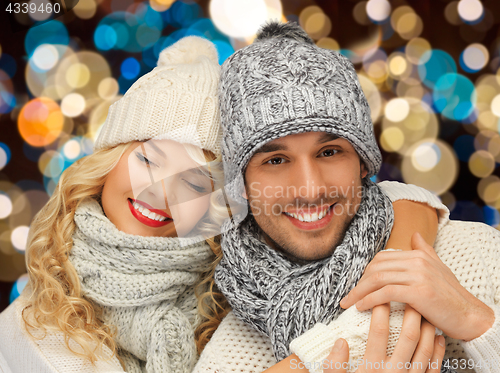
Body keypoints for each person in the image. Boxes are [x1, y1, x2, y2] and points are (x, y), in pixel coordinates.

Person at [194, 22, 500, 373]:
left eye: (329, 152)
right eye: (275, 160)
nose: (310, 189)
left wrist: (480, 324)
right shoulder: (228, 357)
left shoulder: (475, 256)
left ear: (361, 163)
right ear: (241, 184)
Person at [0, 36, 234, 373]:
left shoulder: (236, 317)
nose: (160, 192)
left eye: (194, 182)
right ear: (107, 164)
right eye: (149, 160)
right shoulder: (24, 330)